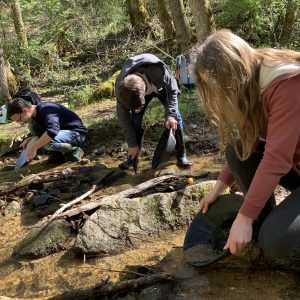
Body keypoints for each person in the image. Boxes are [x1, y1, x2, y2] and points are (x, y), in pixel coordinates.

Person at [194, 29, 300, 268]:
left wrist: (244, 217)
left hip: (290, 161)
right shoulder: (253, 75)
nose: (217, 94)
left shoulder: (286, 83)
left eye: (218, 87)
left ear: (233, 74)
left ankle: (268, 231)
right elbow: (249, 141)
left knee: (277, 243)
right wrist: (219, 186)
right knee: (237, 150)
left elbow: (276, 158)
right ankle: (261, 226)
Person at [115, 53, 192, 169]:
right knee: (135, 121)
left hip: (160, 86)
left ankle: (181, 155)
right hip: (140, 85)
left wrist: (170, 116)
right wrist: (132, 144)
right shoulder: (121, 90)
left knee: (175, 116)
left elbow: (173, 91)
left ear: (143, 93)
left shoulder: (159, 72)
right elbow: (123, 118)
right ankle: (133, 157)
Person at [7, 98, 87, 163]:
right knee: (33, 127)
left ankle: (74, 150)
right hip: (62, 133)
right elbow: (44, 132)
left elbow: (52, 131)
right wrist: (30, 139)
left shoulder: (47, 109)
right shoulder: (35, 116)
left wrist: (34, 147)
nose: (21, 123)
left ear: (25, 110)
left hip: (76, 133)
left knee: (47, 142)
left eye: (19, 119)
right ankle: (57, 155)